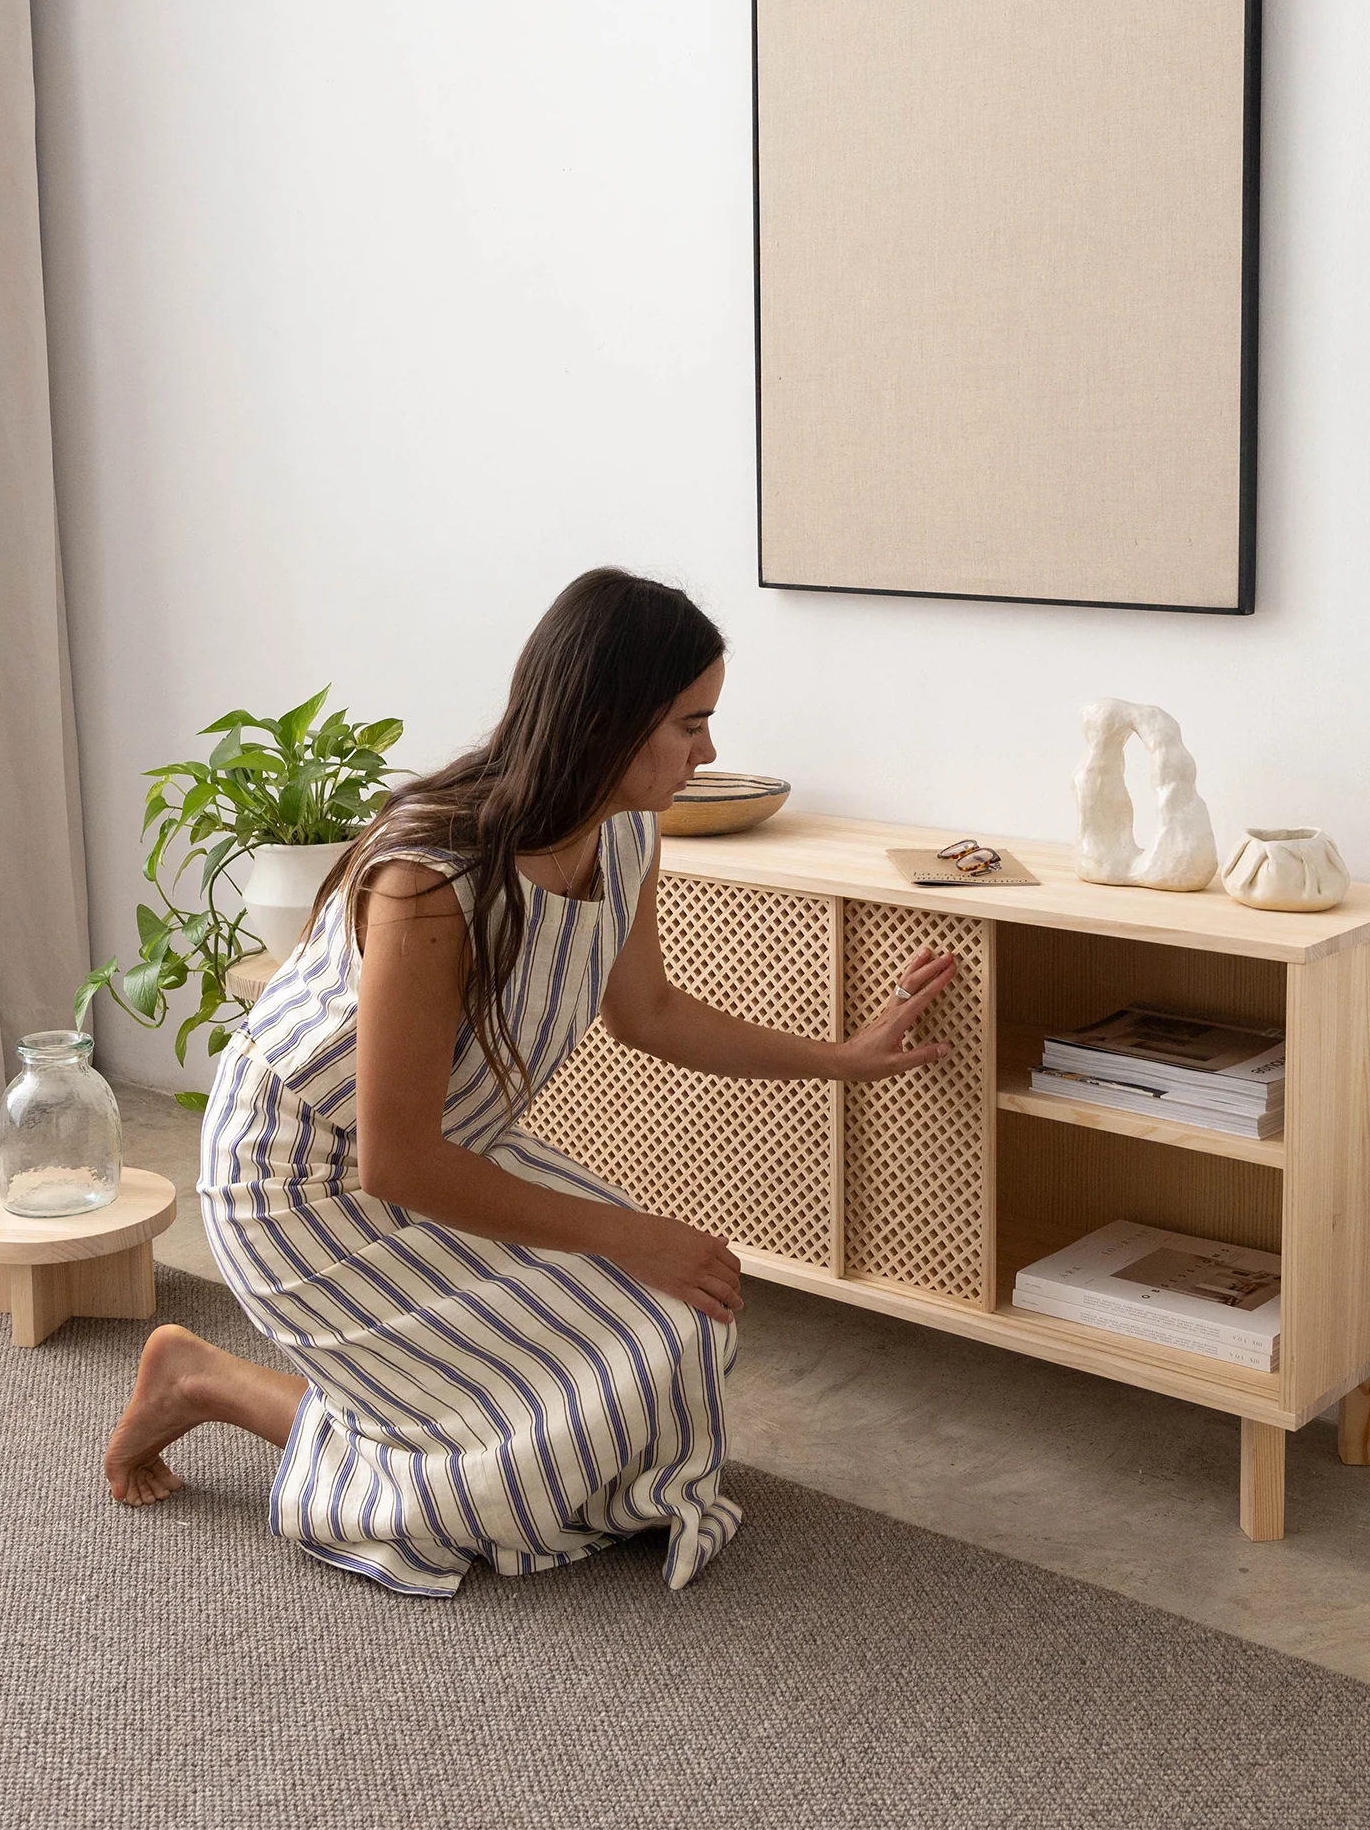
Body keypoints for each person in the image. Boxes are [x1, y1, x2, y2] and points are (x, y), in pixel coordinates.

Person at [102, 568, 955, 1595]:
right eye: (691, 723)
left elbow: (652, 1014)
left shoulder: (625, 830)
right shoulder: (431, 874)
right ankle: (212, 1381)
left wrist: (842, 1057)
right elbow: (397, 1157)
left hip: (451, 1154)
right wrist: (635, 1231)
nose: (709, 752)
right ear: (609, 720)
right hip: (304, 1181)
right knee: (508, 1476)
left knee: (681, 1331)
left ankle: (380, 1417)